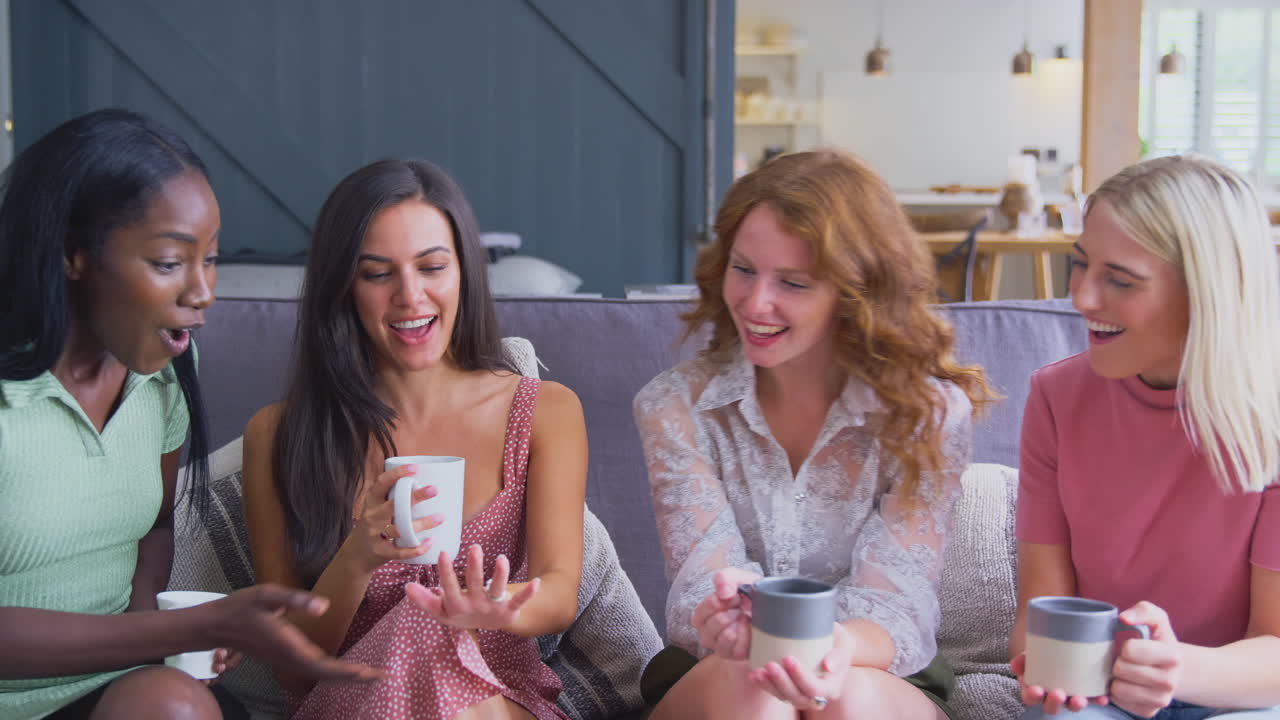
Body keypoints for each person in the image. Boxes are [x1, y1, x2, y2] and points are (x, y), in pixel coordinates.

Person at [0, 109, 380, 720]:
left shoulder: (163, 376)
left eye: (210, 259)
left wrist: (170, 629)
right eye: (170, 262)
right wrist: (170, 635)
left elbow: (154, 531)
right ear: (73, 255)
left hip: (118, 690)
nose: (203, 291)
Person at [633, 149, 996, 720]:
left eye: (794, 283)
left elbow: (895, 604)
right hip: (719, 671)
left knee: (842, 698)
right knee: (756, 693)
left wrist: (835, 649)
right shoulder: (676, 406)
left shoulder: (927, 413)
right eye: (744, 268)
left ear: (856, 295)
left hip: (875, 664)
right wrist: (725, 617)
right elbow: (700, 582)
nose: (755, 303)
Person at [241, 158, 588, 720]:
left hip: (497, 699)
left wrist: (497, 608)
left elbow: (559, 592)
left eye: (432, 266)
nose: (410, 295)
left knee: (427, 626)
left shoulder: (545, 411)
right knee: (416, 622)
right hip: (349, 704)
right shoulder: (278, 434)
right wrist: (356, 557)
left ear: (463, 273)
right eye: (377, 273)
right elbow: (291, 663)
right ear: (344, 286)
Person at [1010, 155, 1280, 719]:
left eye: (1120, 280)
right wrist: (1045, 670)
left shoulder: (1270, 419)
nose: (1081, 298)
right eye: (1081, 265)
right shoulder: (1056, 399)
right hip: (1101, 690)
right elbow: (1039, 617)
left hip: (1239, 696)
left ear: (1207, 292)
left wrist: (1176, 667)